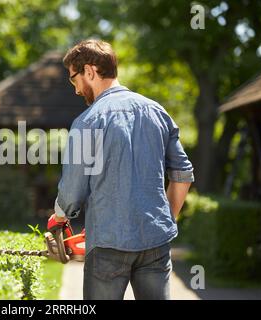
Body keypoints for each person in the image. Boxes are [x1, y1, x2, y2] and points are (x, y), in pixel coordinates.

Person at [47, 39, 194, 300]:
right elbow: (182, 174)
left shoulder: (88, 121)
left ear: (90, 71)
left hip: (107, 245)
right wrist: (165, 219)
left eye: (74, 79)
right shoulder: (157, 112)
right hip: (155, 242)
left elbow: (72, 190)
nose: (76, 90)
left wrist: (59, 217)